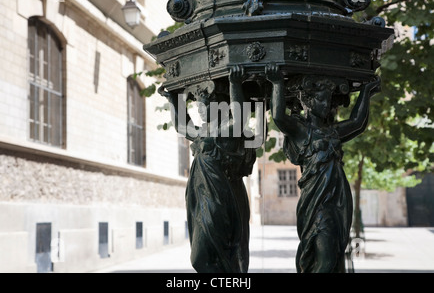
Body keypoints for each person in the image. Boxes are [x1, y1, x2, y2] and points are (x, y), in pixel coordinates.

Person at [265, 63, 380, 273]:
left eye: (328, 99)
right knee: (325, 261)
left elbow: (357, 122)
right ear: (308, 101)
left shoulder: (332, 132)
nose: (327, 104)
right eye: (322, 99)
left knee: (335, 257)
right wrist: (277, 83)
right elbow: (279, 116)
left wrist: (366, 92)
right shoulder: (301, 131)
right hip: (317, 204)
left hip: (337, 201)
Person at [159, 65, 256, 273]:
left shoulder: (228, 129)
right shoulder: (202, 132)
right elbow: (182, 126)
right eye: (200, 107)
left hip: (222, 196)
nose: (201, 111)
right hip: (201, 195)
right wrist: (173, 99)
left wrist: (235, 84)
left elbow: (241, 118)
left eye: (205, 106)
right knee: (199, 255)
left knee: (218, 250)